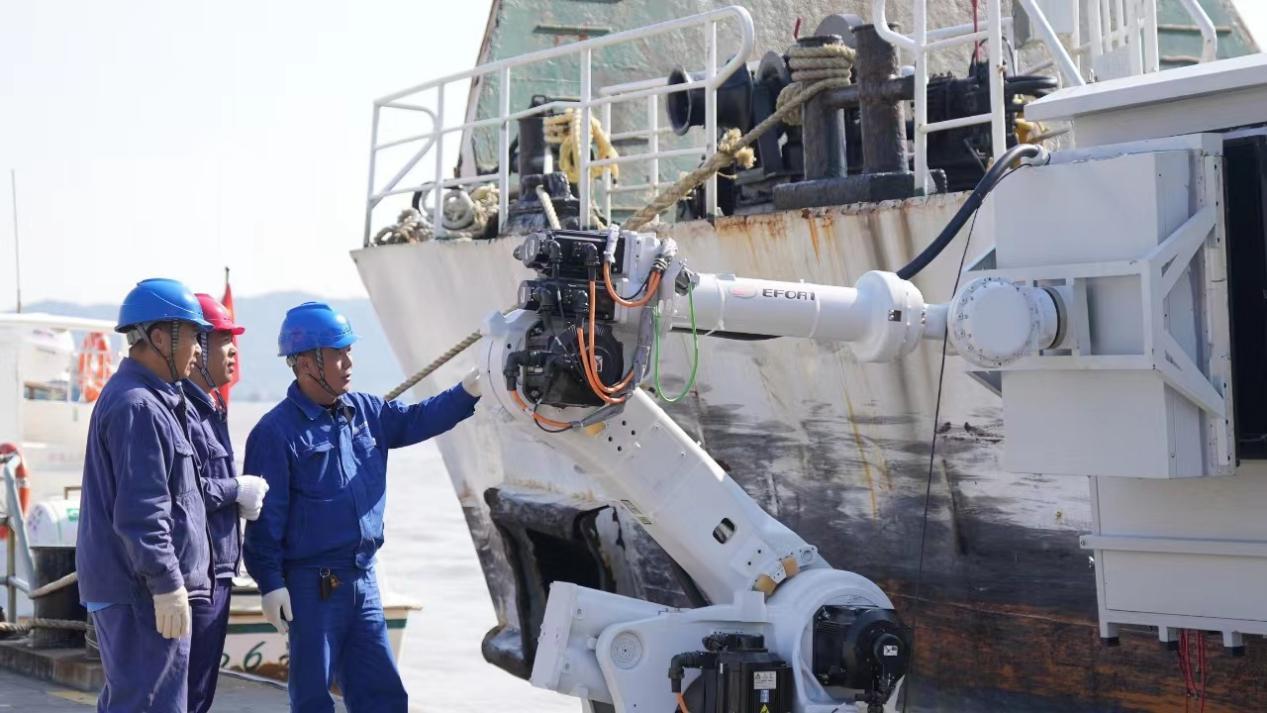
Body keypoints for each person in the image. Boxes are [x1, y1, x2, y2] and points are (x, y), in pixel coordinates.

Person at [243, 301, 481, 713]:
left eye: (349, 350)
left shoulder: (367, 412)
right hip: (312, 586)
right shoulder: (275, 433)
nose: (349, 362)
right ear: (305, 363)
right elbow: (266, 520)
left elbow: (419, 419)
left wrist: (468, 392)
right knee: (313, 699)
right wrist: (270, 583)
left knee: (383, 695)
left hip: (363, 580)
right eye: (337, 353)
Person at [76, 278, 212, 713]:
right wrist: (167, 584)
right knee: (149, 704)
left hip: (139, 588)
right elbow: (143, 512)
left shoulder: (151, 400)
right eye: (192, 336)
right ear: (158, 338)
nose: (199, 350)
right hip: (141, 593)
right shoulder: (138, 406)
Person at [181, 293, 269, 713]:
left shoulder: (210, 408)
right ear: (198, 346)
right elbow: (186, 491)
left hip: (217, 573)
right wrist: (236, 490)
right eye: (224, 340)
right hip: (196, 580)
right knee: (185, 692)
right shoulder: (183, 413)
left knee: (199, 692)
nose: (234, 351)